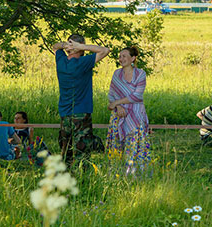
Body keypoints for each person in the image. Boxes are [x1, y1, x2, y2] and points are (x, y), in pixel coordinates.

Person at [53, 34, 110, 166]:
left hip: (65, 113)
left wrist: (64, 45)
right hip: (81, 113)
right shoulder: (83, 62)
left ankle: (66, 178)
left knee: (66, 150)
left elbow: (55, 47)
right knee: (82, 151)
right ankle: (84, 179)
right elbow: (105, 50)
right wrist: (80, 46)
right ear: (80, 49)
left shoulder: (61, 61)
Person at [106, 46, 151, 176]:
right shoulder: (117, 74)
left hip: (135, 115)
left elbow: (137, 96)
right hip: (118, 115)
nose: (121, 59)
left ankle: (135, 174)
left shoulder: (140, 74)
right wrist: (118, 107)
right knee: (116, 145)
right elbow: (111, 94)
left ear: (133, 58)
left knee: (135, 145)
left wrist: (116, 102)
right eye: (120, 56)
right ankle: (116, 174)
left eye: (124, 56)